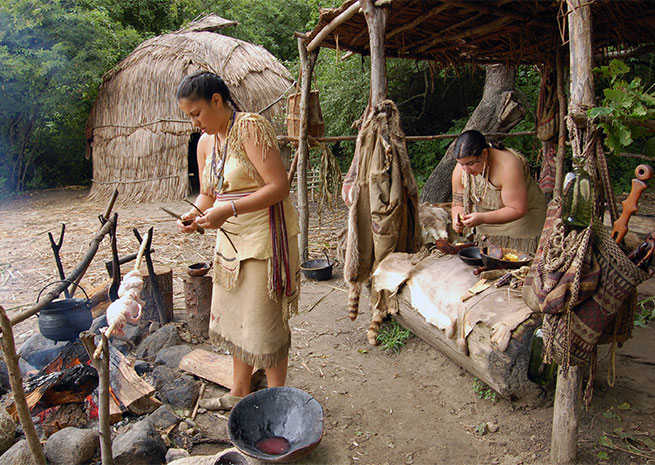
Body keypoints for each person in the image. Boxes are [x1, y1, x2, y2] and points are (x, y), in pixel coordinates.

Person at [176, 71, 300, 410]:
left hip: (264, 239)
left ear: (217, 100)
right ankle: (239, 391)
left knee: (265, 322)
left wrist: (226, 210)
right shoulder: (205, 143)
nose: (194, 122)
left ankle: (278, 401)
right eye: (189, 116)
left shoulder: (250, 128)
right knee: (234, 318)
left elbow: (278, 187)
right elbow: (206, 194)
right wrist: (193, 216)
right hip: (230, 242)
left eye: (197, 113)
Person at [451, 129, 546, 254]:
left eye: (470, 163)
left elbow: (517, 209)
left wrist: (482, 218)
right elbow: (458, 203)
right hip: (485, 227)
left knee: (519, 266)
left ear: (484, 153)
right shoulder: (461, 170)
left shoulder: (508, 165)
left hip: (522, 224)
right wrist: (456, 219)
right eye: (461, 164)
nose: (466, 169)